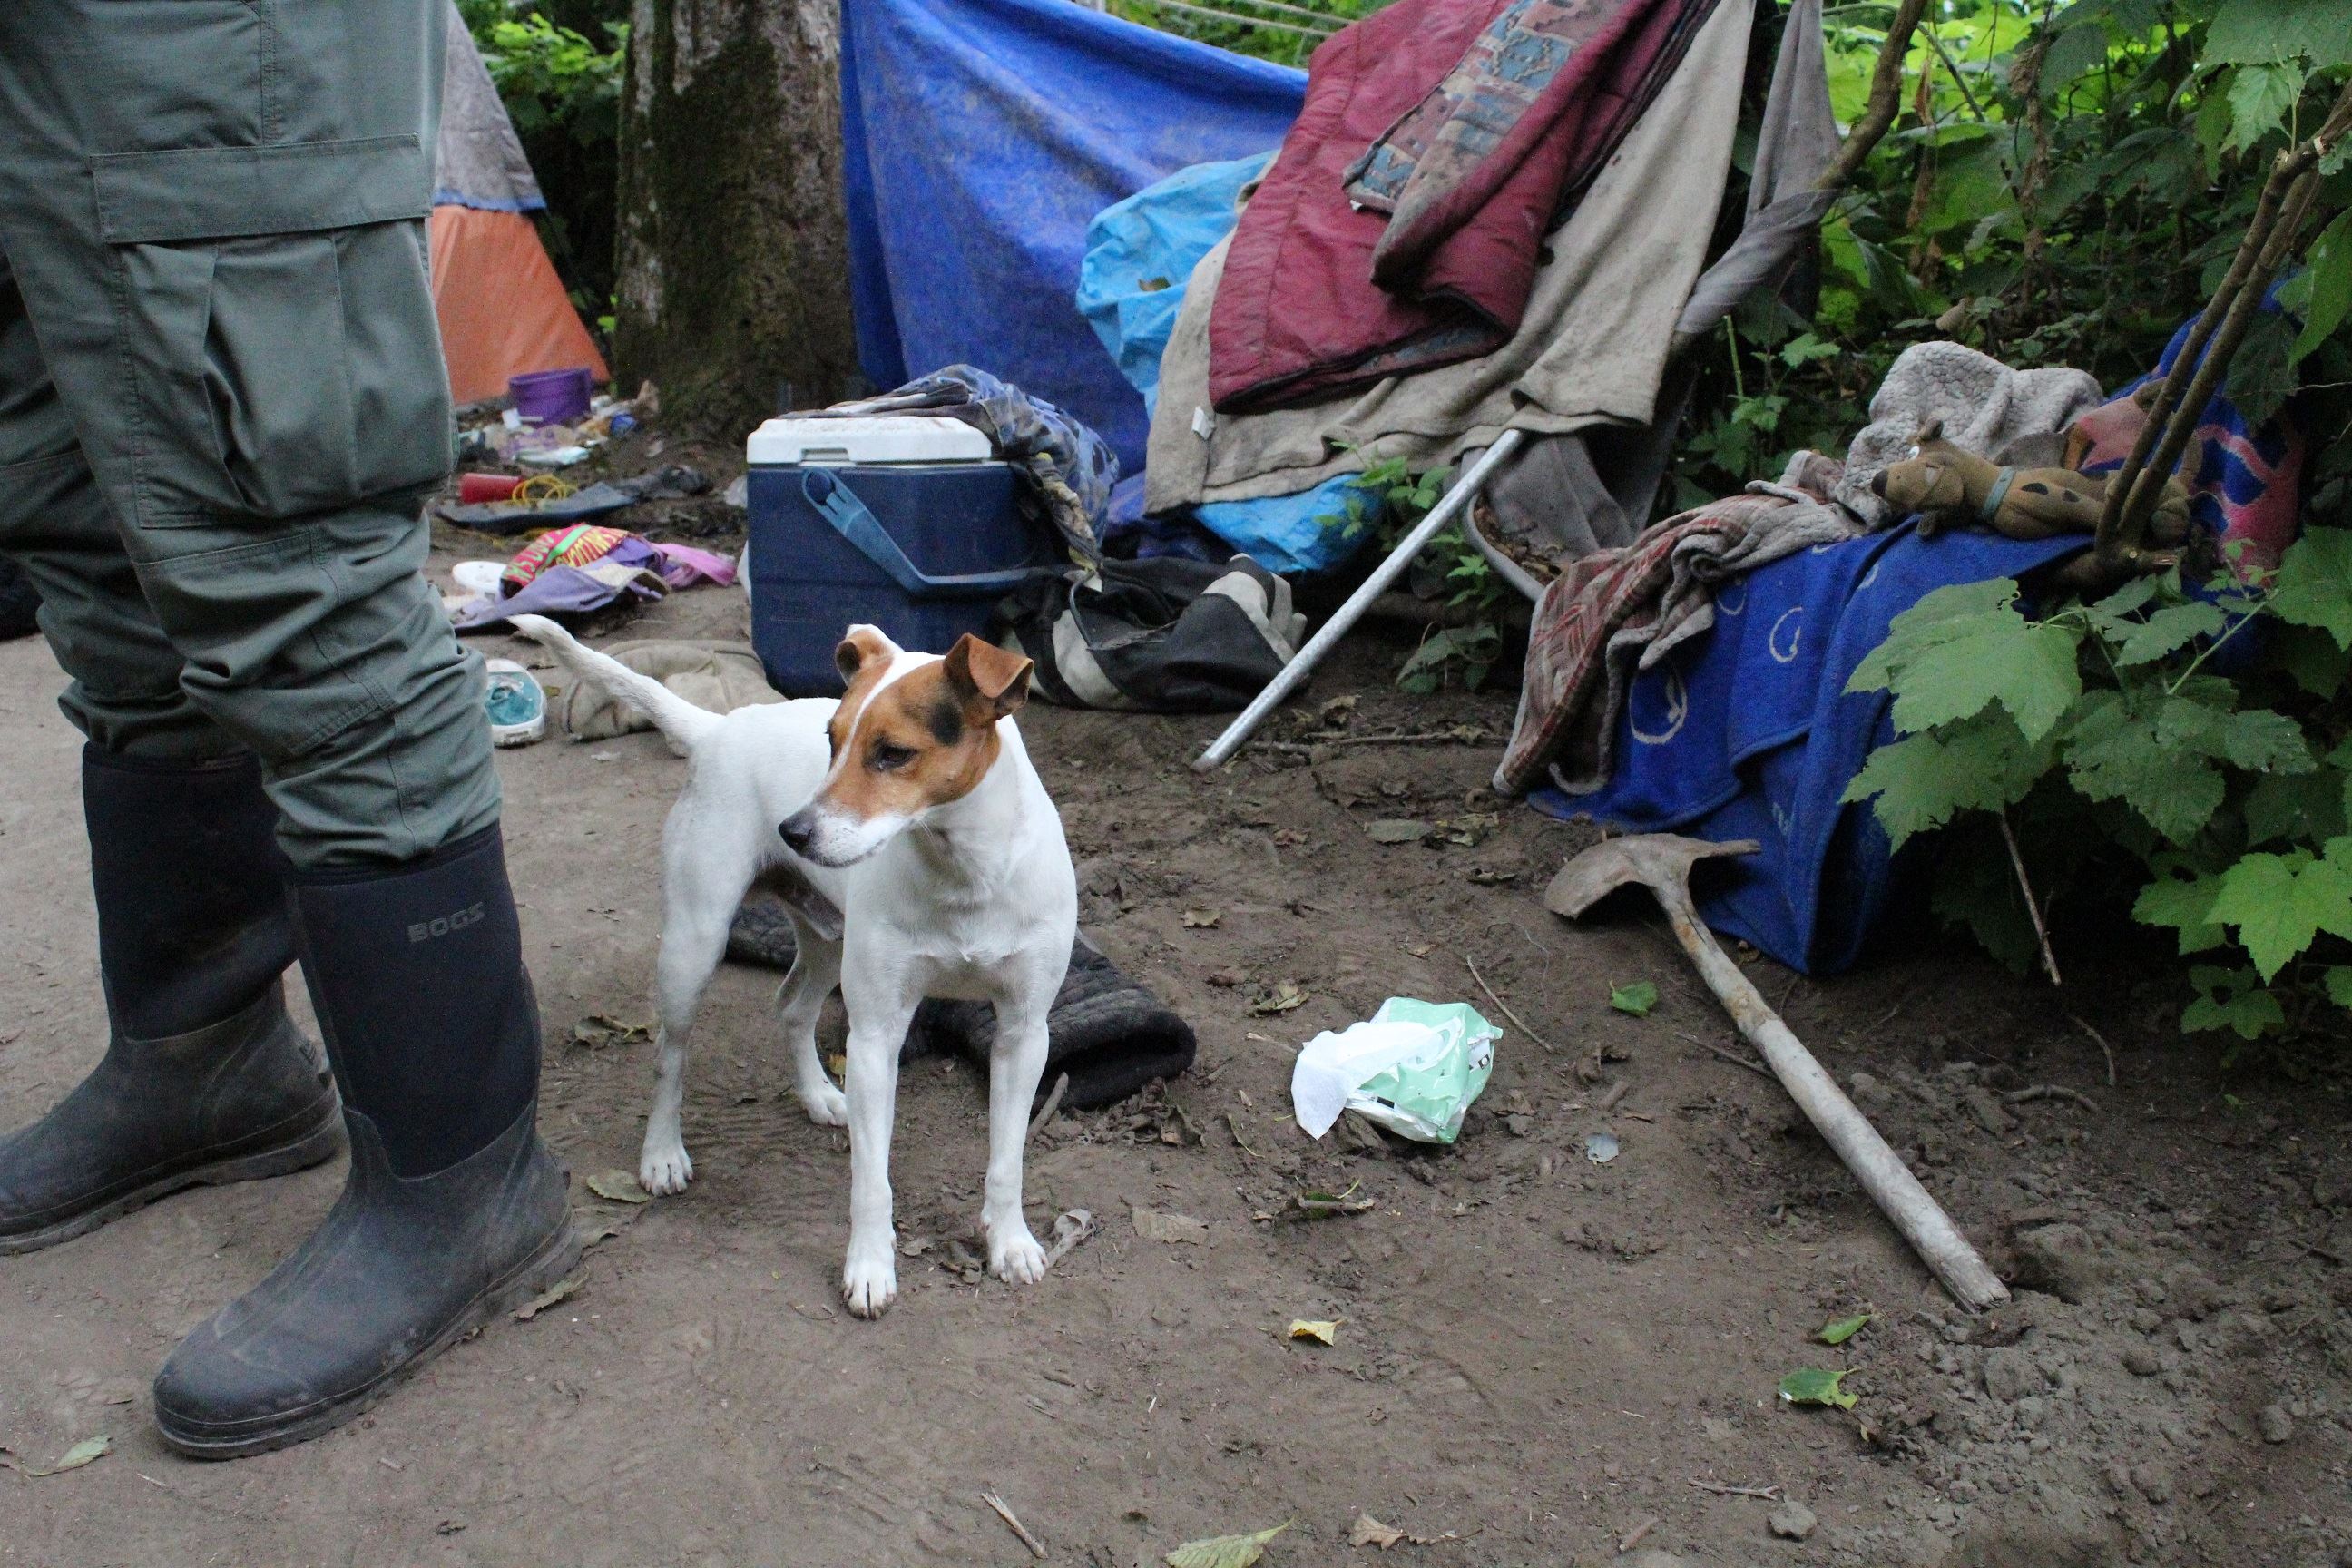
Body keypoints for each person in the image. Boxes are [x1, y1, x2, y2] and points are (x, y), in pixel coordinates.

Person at [0, 1, 577, 1457]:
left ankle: (464, 1177)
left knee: (282, 556)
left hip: (194, 39)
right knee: (86, 523)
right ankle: (204, 1067)